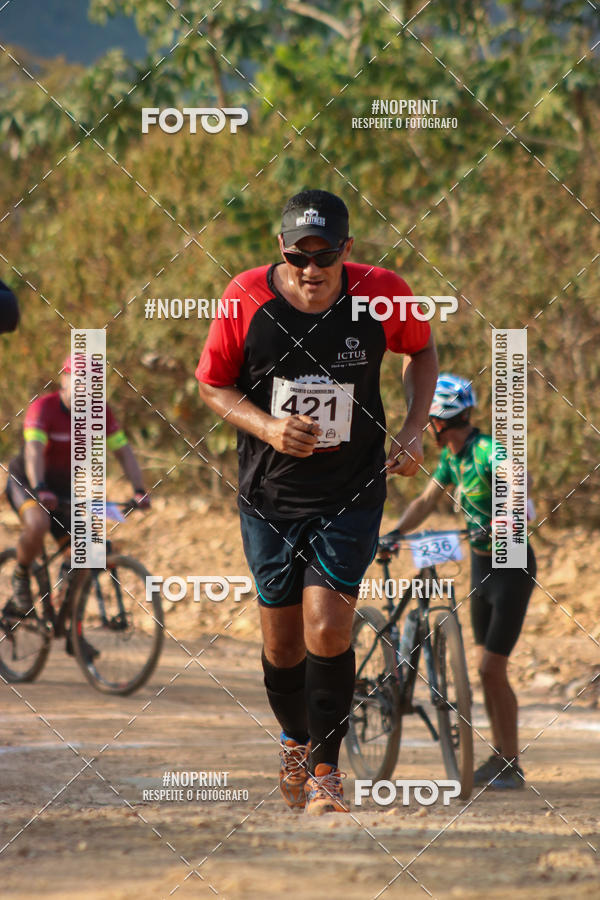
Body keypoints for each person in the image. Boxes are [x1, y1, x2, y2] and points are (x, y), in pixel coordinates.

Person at [196, 189, 438, 814]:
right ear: (281, 250)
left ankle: (328, 770)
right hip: (270, 494)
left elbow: (421, 349)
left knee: (328, 628)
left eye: (324, 256)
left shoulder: (383, 290)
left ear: (346, 251)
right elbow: (212, 385)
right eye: (299, 257)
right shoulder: (244, 296)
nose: (311, 271)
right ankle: (296, 741)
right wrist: (270, 428)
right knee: (282, 645)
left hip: (351, 489)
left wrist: (413, 427)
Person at [391, 373, 536, 789]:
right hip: (480, 566)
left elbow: (517, 475)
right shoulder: (453, 458)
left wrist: (509, 512)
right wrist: (395, 533)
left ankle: (510, 762)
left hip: (511, 563)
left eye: (428, 421)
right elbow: (425, 501)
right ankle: (500, 757)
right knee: (485, 669)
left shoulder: (487, 449)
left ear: (438, 420)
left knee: (492, 667)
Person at [5, 356, 150, 653]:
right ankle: (21, 577)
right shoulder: (43, 408)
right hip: (30, 480)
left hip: (66, 489)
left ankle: (70, 627)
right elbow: (34, 451)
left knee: (90, 550)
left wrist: (139, 490)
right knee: (38, 523)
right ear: (64, 380)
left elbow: (123, 451)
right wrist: (41, 488)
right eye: (79, 381)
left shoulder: (101, 413)